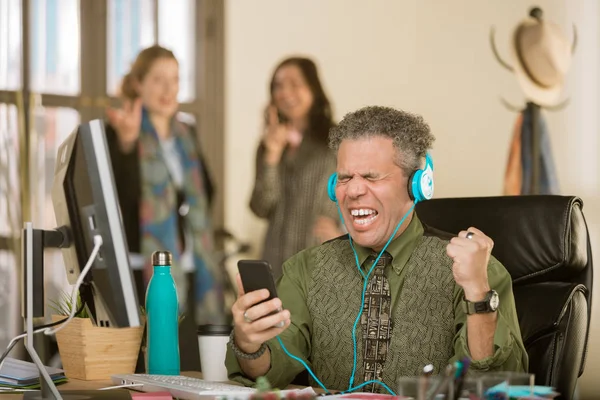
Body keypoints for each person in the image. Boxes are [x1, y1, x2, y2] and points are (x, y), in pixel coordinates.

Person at [225, 106, 528, 392]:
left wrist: (477, 295)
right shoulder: (306, 268)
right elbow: (269, 371)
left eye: (371, 176)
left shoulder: (478, 272)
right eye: (344, 178)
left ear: (418, 185)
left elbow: (496, 387)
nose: (353, 191)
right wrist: (250, 344)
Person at [105, 46, 227, 368]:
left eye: (174, 79)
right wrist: (128, 144)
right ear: (138, 84)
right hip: (141, 272)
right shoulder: (120, 133)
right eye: (158, 79)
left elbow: (207, 193)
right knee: (148, 367)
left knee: (187, 364)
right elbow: (121, 201)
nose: (168, 89)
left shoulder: (187, 133)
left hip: (190, 270)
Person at [249, 57, 342, 279]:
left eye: (294, 83)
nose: (285, 92)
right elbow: (261, 207)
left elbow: (357, 193)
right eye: (278, 86)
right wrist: (272, 155)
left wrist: (343, 236)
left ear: (313, 88)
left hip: (318, 259)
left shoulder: (336, 141)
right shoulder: (268, 145)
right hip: (276, 261)